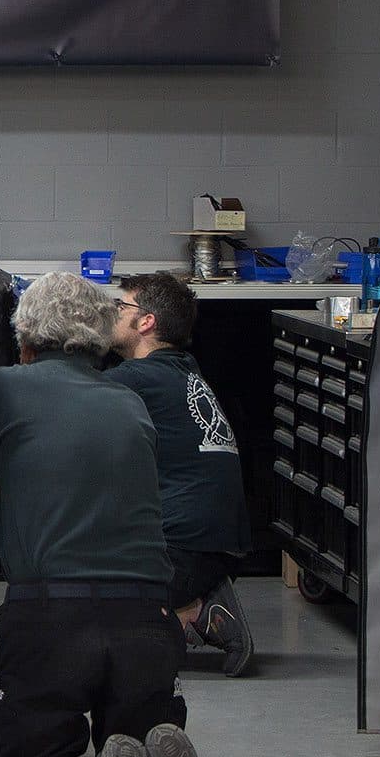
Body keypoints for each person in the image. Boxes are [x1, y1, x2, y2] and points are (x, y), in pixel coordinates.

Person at [0, 272, 237, 757]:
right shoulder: (129, 399)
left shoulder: (4, 387)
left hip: (53, 616)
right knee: (133, 735)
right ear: (99, 339)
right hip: (149, 617)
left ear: (26, 338)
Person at [105, 273, 254, 677]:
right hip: (219, 541)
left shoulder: (137, 378)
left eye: (122, 307)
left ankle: (196, 607)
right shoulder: (184, 369)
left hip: (186, 549)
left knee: (89, 609)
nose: (114, 314)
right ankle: (194, 597)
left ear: (146, 321)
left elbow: (72, 399)